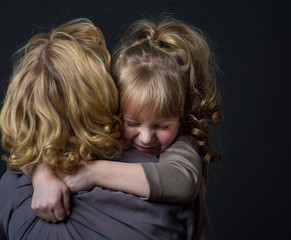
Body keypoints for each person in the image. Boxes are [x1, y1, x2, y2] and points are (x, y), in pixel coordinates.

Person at [0, 18, 214, 239]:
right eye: (131, 122)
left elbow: (182, 181)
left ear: (181, 117)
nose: (146, 137)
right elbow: (25, 145)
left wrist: (91, 172)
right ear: (114, 105)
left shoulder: (180, 144)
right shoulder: (99, 137)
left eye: (162, 126)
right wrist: (41, 174)